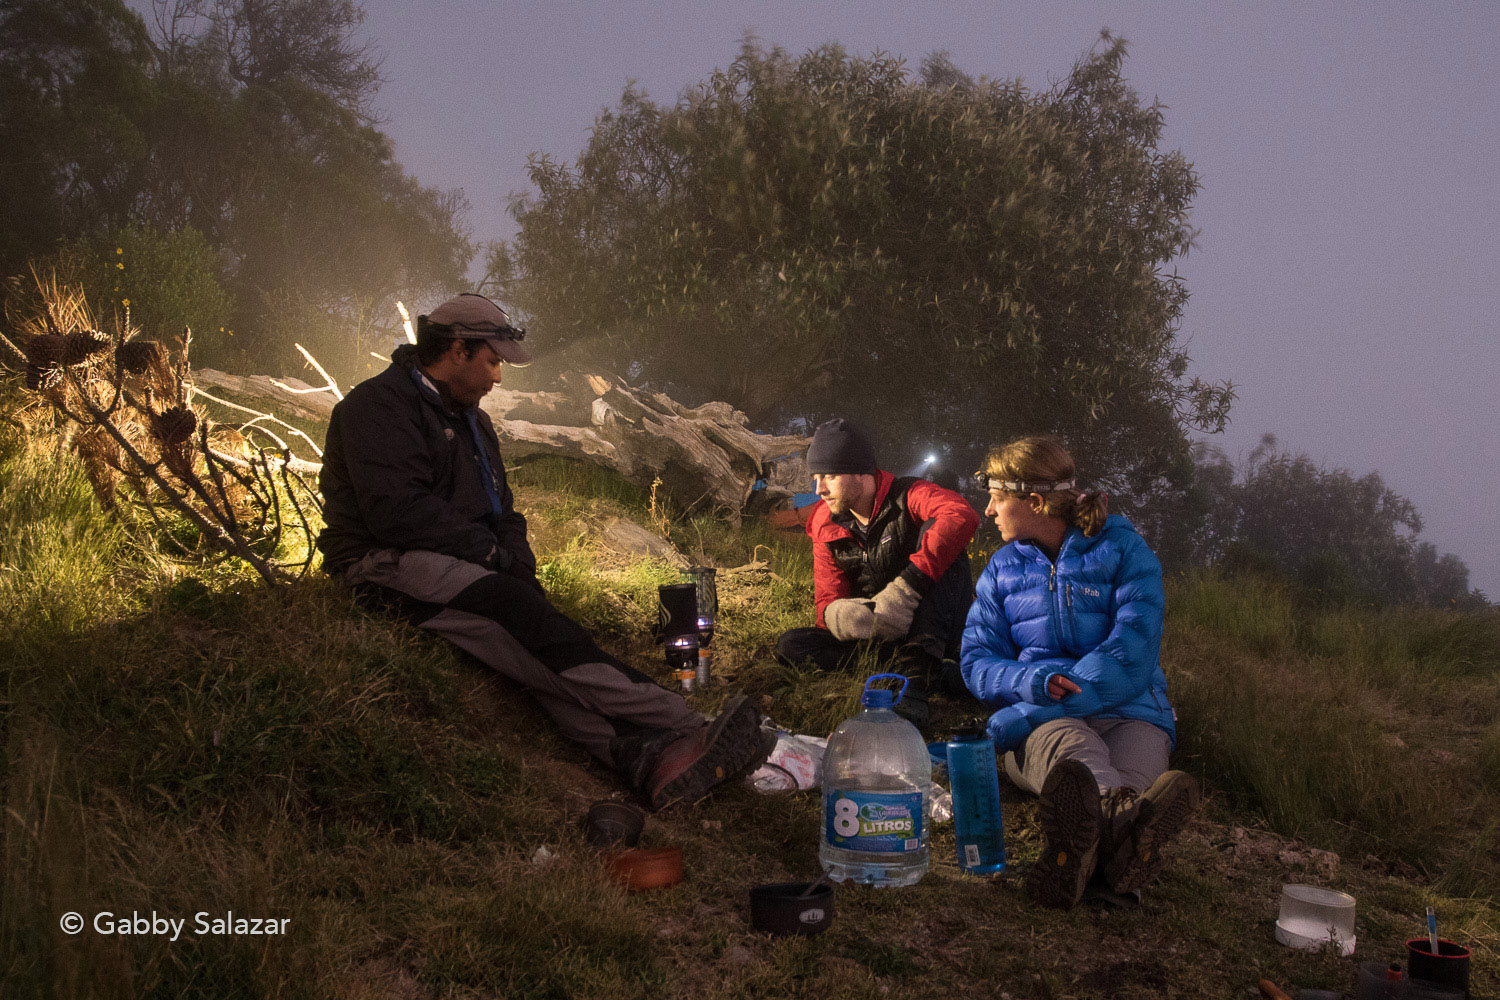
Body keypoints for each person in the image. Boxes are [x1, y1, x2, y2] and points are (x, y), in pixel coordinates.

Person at [316, 293, 771, 810]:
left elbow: (503, 511)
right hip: (383, 563)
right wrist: (492, 559)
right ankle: (685, 721)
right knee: (522, 621)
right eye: (492, 362)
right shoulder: (377, 407)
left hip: (459, 562)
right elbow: (397, 515)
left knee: (533, 645)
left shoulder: (473, 421)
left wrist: (518, 564)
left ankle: (648, 760)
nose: (498, 378)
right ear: (458, 350)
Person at [961, 435, 1199, 908]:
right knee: (1085, 762)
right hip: (1046, 719)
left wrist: (1051, 699)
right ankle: (1123, 851)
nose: (988, 511)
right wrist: (1032, 683)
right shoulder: (1000, 570)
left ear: (1033, 501)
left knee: (1126, 778)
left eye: (995, 497)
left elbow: (1133, 650)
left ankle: (1076, 859)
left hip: (1131, 713)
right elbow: (976, 662)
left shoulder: (1127, 551)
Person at [774, 418, 981, 727]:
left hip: (935, 625)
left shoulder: (908, 494)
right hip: (880, 632)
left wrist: (905, 591)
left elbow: (961, 515)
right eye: (816, 477)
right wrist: (848, 618)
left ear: (861, 472)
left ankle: (915, 680)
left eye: (829, 476)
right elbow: (826, 601)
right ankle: (932, 672)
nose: (819, 489)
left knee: (946, 548)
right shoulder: (824, 521)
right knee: (792, 645)